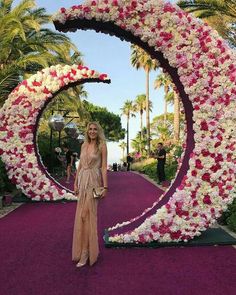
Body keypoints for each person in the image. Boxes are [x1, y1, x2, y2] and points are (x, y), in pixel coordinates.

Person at [72, 122, 108, 267]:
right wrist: (75, 183)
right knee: (81, 216)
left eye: (95, 129)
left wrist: (105, 186)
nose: (92, 131)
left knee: (87, 216)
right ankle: (83, 250)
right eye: (90, 129)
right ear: (87, 131)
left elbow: (104, 167)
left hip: (94, 181)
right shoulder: (83, 145)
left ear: (98, 131)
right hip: (82, 182)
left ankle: (87, 252)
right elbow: (80, 165)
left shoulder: (102, 146)